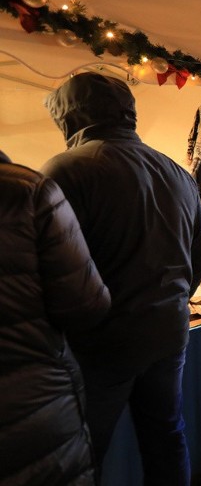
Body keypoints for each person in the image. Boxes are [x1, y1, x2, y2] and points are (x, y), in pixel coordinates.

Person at [41, 73, 201, 485]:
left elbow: (52, 270)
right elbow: (200, 256)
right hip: (168, 331)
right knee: (167, 436)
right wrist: (171, 300)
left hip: (104, 342)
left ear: (71, 116)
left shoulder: (66, 170)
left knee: (84, 449)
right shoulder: (176, 170)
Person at [0, 150, 111, 485]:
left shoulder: (56, 174)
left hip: (35, 399)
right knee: (165, 432)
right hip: (35, 403)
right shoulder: (28, 189)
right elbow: (86, 305)